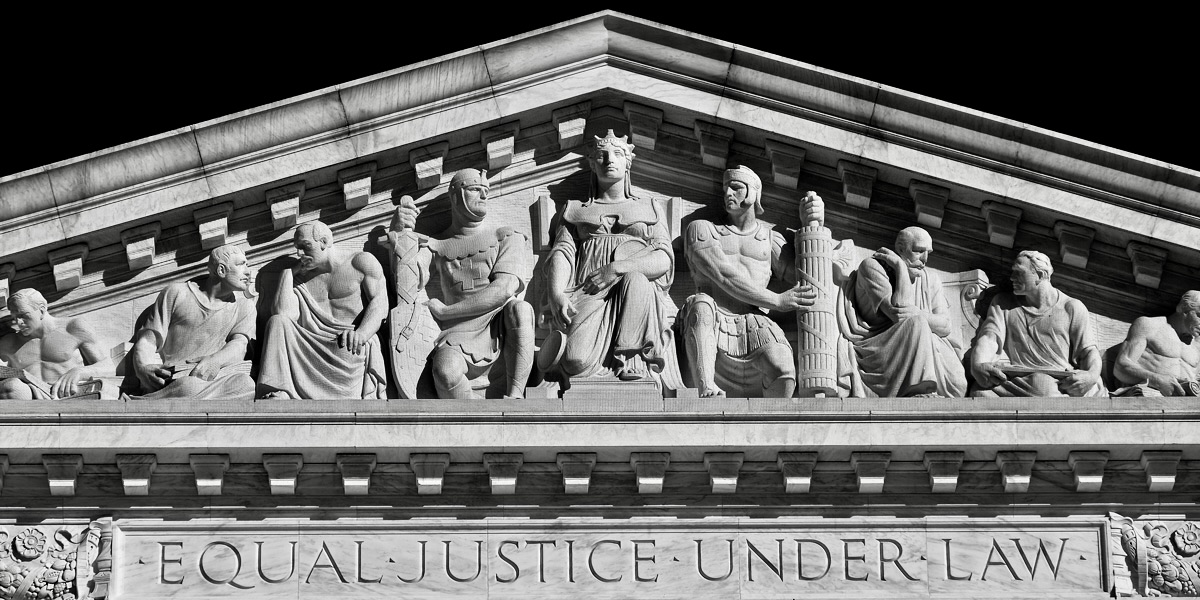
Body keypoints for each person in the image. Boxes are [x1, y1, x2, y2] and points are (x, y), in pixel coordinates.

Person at [539, 130, 683, 387]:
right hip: (588, 289)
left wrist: (617, 269)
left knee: (636, 280)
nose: (609, 160)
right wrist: (556, 294)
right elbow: (563, 253)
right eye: (601, 155)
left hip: (637, 294)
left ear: (628, 161)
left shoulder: (650, 207)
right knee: (574, 360)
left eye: (617, 154)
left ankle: (631, 358)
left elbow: (663, 258)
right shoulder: (575, 209)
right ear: (592, 163)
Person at [388, 169, 535, 398]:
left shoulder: (507, 237)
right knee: (445, 372)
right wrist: (400, 234)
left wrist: (447, 311)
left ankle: (515, 398)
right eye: (475, 189)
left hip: (498, 324)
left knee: (521, 309)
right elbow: (408, 282)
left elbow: (504, 289)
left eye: (486, 190)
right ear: (455, 195)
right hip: (456, 333)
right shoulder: (436, 245)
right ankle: (475, 425)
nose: (484, 196)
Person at [680, 165, 817, 397]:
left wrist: (813, 224)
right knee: (701, 304)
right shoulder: (702, 230)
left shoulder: (770, 240)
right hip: (713, 318)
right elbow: (723, 275)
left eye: (735, 187)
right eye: (725, 188)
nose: (727, 193)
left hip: (753, 321)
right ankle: (706, 388)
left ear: (754, 193)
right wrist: (777, 300)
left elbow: (807, 279)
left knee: (784, 371)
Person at [258, 221, 388, 399]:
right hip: (307, 349)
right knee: (276, 321)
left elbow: (380, 302)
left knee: (361, 345)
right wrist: (288, 275)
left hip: (347, 345)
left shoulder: (360, 262)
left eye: (305, 246)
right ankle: (279, 391)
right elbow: (284, 314)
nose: (299, 253)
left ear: (324, 242)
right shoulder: (300, 277)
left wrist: (362, 334)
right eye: (298, 248)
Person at [848, 226, 967, 397]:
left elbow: (946, 326)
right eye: (919, 251)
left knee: (958, 386)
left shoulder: (930, 278)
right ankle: (920, 390)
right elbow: (898, 312)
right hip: (880, 347)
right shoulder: (872, 267)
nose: (925, 260)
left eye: (928, 252)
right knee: (916, 324)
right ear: (900, 249)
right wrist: (900, 268)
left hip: (925, 341)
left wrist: (916, 312)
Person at [130, 245, 256, 401]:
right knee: (188, 386)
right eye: (241, 264)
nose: (248, 272)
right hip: (176, 379)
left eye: (247, 265)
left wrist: (215, 361)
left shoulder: (244, 307)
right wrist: (143, 368)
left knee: (245, 384)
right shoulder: (177, 293)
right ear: (221, 270)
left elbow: (239, 345)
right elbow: (148, 341)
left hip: (217, 379)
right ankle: (155, 399)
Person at [970, 250, 1102, 397]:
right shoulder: (1002, 304)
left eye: (1019, 272)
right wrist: (977, 364)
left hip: (1059, 381)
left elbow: (1089, 351)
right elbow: (989, 339)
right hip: (1017, 379)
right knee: (980, 393)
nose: (1012, 278)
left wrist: (1091, 376)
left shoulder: (1071, 307)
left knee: (1043, 386)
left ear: (1040, 275)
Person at [0, 288, 109, 399]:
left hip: (68, 394)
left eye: (23, 315)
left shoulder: (72, 328)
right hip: (31, 397)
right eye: (14, 318)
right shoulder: (8, 343)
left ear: (41, 310)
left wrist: (79, 371)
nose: (19, 323)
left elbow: (108, 366)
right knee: (11, 388)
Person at [1112, 290, 1200, 396]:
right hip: (1151, 393)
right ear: (1184, 309)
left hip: (1188, 403)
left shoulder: (1197, 345)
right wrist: (1158, 381)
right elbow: (1121, 367)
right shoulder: (1149, 326)